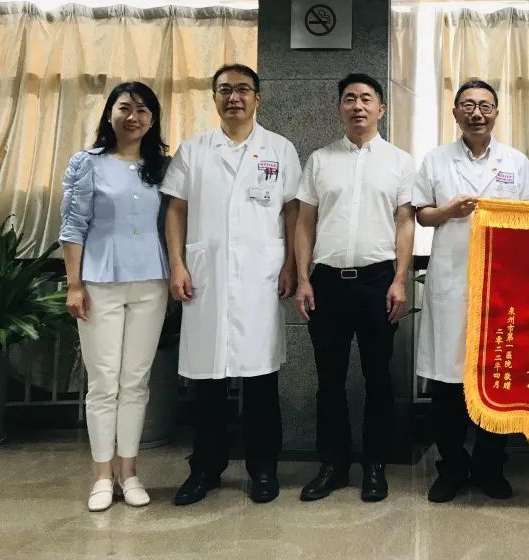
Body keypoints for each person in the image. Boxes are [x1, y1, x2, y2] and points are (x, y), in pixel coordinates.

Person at [162, 64, 302, 506]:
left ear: (258, 98)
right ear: (214, 98)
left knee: (261, 379)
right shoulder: (194, 150)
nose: (234, 98)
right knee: (207, 381)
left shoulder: (279, 149)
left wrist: (292, 265)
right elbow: (176, 210)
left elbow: (293, 212)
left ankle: (263, 468)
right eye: (225, 90)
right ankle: (205, 468)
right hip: (206, 277)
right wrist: (177, 264)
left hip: (262, 277)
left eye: (243, 90)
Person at [413, 78, 529, 503]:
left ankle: (490, 467)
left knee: (495, 376)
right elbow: (422, 215)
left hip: (501, 286)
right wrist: (448, 211)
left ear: (496, 113)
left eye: (485, 106)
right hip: (451, 283)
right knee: (447, 384)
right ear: (455, 113)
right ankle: (451, 468)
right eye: (467, 105)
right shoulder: (436, 160)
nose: (476, 113)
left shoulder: (515, 162)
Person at [294, 73, 416, 503]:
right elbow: (304, 222)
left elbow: (405, 223)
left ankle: (375, 465)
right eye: (349, 99)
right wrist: (303, 278)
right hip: (327, 282)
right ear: (339, 108)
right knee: (329, 379)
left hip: (378, 281)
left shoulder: (400, 162)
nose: (358, 106)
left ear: (381, 108)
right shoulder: (320, 160)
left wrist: (400, 279)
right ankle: (333, 464)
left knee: (378, 378)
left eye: (366, 98)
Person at [59, 82, 171, 512]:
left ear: (152, 119)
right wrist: (74, 284)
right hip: (99, 282)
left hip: (151, 282)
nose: (133, 117)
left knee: (135, 381)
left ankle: (130, 471)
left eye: (143, 110)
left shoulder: (162, 167)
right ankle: (102, 475)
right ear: (110, 114)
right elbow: (73, 227)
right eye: (125, 108)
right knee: (104, 382)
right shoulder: (87, 163)